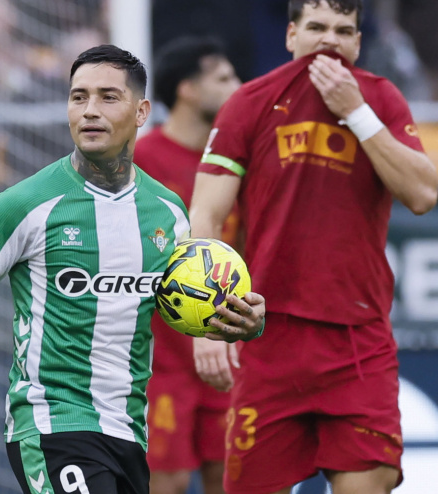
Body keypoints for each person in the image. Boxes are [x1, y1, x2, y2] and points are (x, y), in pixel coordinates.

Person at [0, 44, 266, 494]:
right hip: (51, 421)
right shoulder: (26, 203)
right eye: (78, 97)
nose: (89, 110)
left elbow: (193, 306)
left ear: (141, 110)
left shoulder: (168, 213)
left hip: (128, 429)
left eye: (108, 97)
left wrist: (242, 322)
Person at [188, 1, 438, 493]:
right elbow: (205, 215)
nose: (330, 40)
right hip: (267, 335)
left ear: (358, 44)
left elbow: (424, 195)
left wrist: (357, 114)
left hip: (357, 342)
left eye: (344, 31)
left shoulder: (381, 99)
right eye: (317, 27)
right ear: (290, 35)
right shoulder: (250, 102)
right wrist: (203, 322)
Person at [134, 37, 242, 494]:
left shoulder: (238, 161)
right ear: (188, 90)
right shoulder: (138, 161)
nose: (239, 87)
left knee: (232, 478)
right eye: (224, 78)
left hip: (229, 350)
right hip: (160, 361)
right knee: (167, 481)